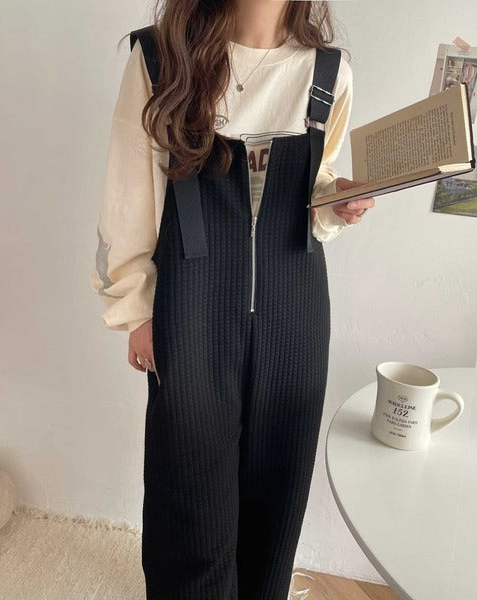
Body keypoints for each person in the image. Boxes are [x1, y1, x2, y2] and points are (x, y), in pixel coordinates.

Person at [90, 2, 375, 598]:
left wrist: (338, 202)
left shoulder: (329, 72)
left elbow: (316, 188)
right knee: (189, 492)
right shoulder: (160, 57)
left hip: (296, 307)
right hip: (191, 304)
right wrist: (136, 309)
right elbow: (128, 197)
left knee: (279, 490)